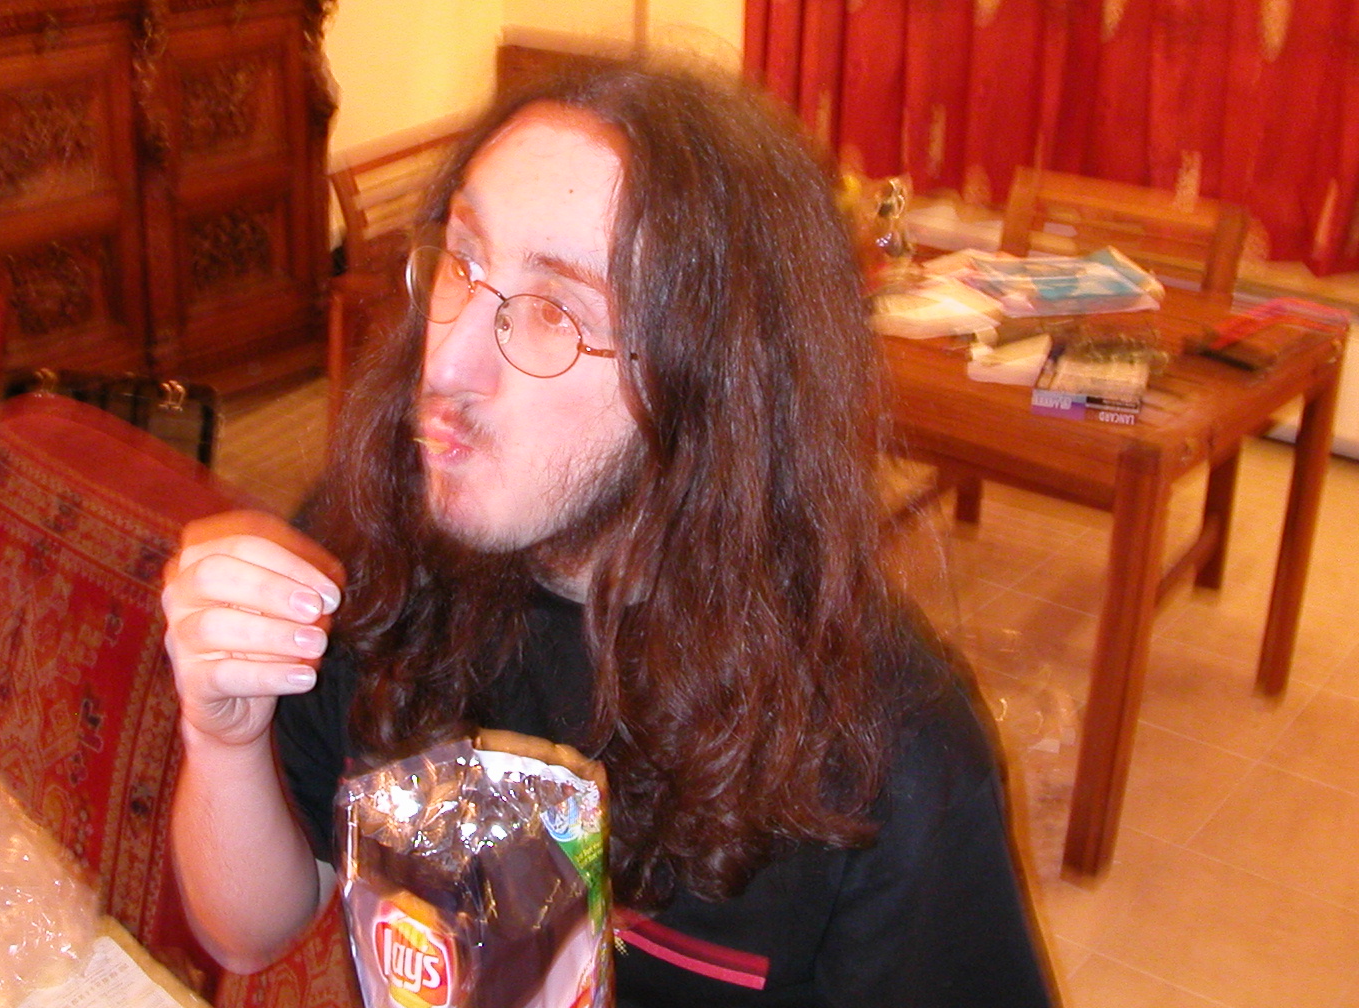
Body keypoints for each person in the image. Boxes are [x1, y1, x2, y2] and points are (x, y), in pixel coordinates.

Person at [162, 59, 1056, 1006]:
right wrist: (223, 737)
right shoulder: (372, 544)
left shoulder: (888, 749)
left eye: (553, 312)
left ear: (706, 381)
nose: (449, 362)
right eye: (463, 260)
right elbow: (248, 932)